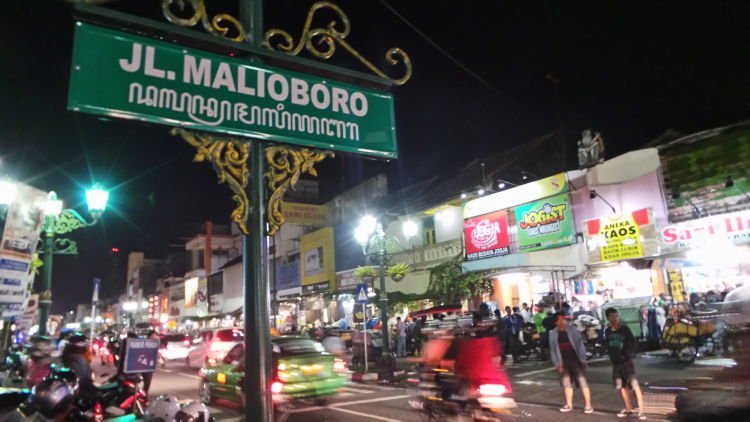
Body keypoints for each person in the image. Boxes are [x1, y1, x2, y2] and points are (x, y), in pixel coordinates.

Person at [604, 308, 645, 419]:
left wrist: (626, 354)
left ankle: (641, 410)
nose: (615, 318)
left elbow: (632, 343)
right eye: (612, 316)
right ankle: (628, 408)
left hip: (627, 362)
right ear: (608, 317)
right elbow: (608, 345)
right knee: (621, 386)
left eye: (616, 316)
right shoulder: (607, 331)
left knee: (635, 385)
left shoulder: (624, 329)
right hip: (616, 363)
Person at [549, 312, 593, 414]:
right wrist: (557, 364)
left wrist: (582, 358)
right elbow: (553, 350)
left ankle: (588, 405)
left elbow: (579, 345)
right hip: (563, 362)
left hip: (575, 361)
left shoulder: (572, 330)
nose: (562, 321)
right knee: (566, 384)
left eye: (563, 319)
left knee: (583, 383)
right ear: (555, 322)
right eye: (559, 320)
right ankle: (569, 404)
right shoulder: (552, 334)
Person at [62, 333, 97, 401]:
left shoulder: (68, 355)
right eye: (82, 342)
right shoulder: (79, 359)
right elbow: (84, 377)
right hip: (80, 391)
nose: (84, 344)